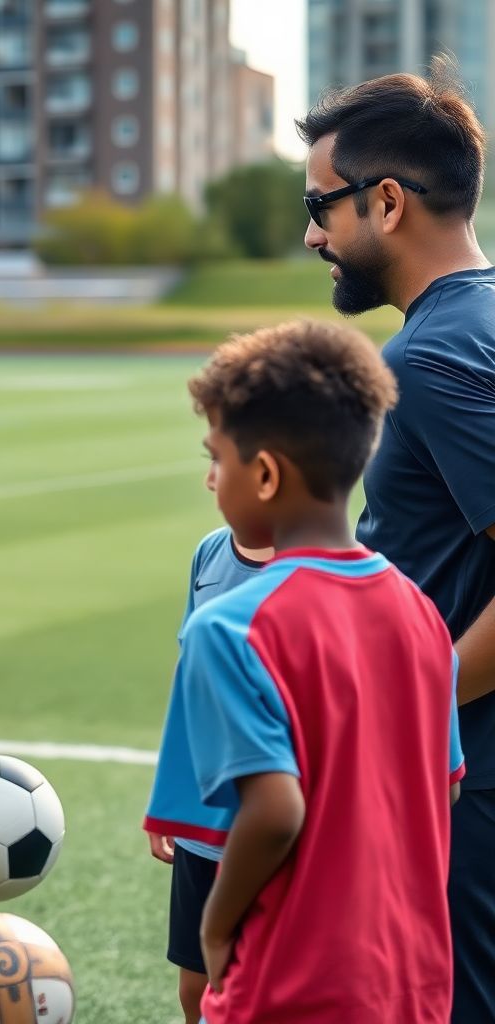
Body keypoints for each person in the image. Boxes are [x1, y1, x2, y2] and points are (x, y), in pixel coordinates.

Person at [160, 320, 463, 1023]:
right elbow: (441, 796)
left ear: (264, 474)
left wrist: (216, 927)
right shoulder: (422, 616)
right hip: (412, 984)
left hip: (288, 989)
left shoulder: (232, 627)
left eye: (218, 457)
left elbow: (273, 810)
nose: (212, 477)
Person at [298, 59, 495, 1022]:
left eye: (320, 205)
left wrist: (410, 716)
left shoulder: (435, 353)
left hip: (469, 781)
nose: (311, 234)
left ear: (384, 202)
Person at [145, 520, 271, 1023]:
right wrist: (167, 801)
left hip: (273, 828)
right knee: (195, 990)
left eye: (222, 462)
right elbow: (188, 673)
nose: (212, 479)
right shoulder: (210, 552)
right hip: (204, 825)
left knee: (261, 986)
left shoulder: (311, 571)